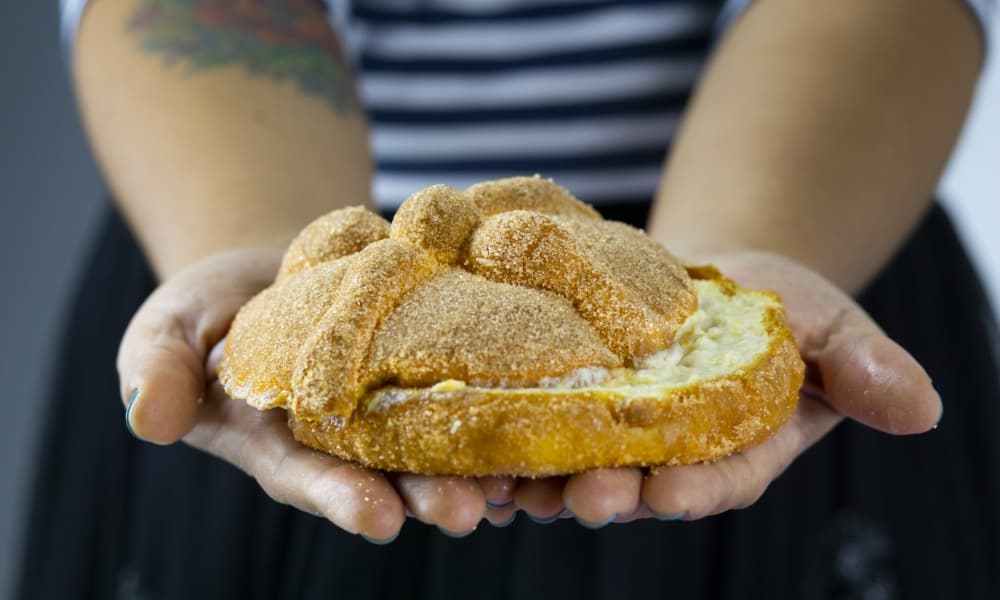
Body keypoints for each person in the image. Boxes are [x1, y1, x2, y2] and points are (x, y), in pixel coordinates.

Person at [19, 0, 999, 597]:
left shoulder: (717, 311)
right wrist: (251, 248)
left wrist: (747, 255)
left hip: (807, 213)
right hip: (271, 232)